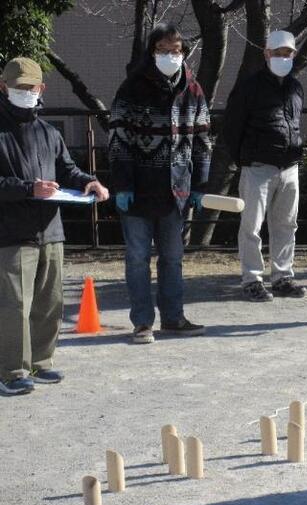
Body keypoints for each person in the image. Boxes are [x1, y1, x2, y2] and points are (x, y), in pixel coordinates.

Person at [0, 57, 109, 396]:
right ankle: (10, 371)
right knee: (14, 305)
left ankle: (40, 362)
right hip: (11, 231)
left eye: (30, 87)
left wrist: (90, 181)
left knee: (49, 301)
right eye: (18, 87)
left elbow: (68, 170)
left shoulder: (49, 132)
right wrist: (27, 188)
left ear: (41, 88)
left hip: (50, 230)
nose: (25, 93)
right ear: (3, 87)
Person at [109, 23, 211, 344]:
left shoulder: (193, 89)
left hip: (176, 191)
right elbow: (118, 139)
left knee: (173, 258)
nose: (171, 56)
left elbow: (203, 140)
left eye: (176, 51)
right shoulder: (131, 88)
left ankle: (173, 317)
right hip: (138, 189)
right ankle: (142, 323)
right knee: (137, 258)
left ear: (183, 53)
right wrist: (122, 184)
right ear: (152, 52)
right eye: (164, 50)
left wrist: (199, 185)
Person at [224, 30, 307, 302]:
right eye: (278, 52)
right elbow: (232, 127)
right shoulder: (249, 87)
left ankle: (283, 277)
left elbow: (294, 124)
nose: (284, 57)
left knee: (287, 225)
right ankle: (252, 280)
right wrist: (244, 160)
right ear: (266, 53)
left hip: (289, 166)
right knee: (251, 226)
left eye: (288, 53)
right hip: (257, 166)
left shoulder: (296, 87)